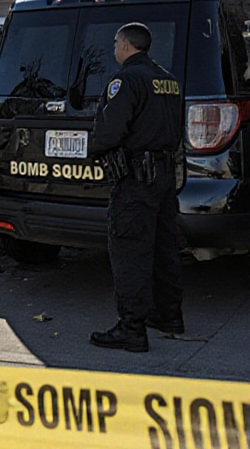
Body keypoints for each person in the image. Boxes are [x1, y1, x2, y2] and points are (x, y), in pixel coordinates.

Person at [90, 22, 185, 352]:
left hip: (136, 179)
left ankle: (131, 329)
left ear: (127, 45)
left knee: (130, 251)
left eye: (116, 42)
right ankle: (169, 315)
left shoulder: (126, 79)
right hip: (164, 175)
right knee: (164, 247)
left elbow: (110, 128)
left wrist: (96, 150)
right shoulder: (168, 80)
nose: (114, 48)